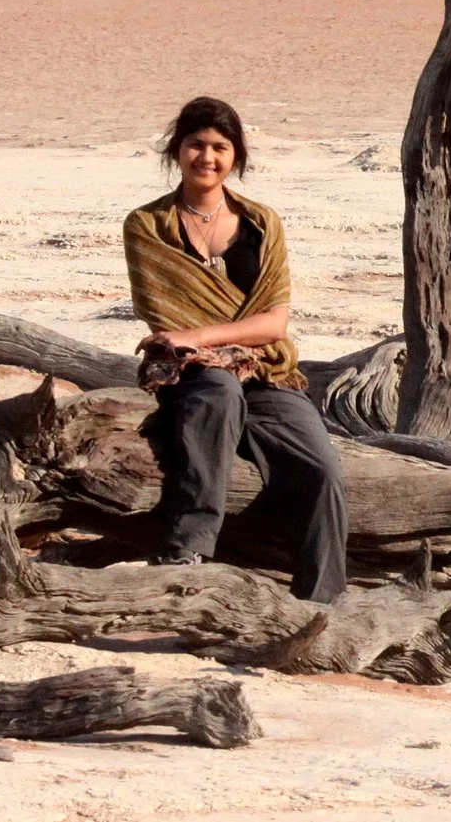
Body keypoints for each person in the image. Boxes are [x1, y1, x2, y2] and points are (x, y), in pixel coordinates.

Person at [123, 96, 347, 602]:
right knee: (219, 391)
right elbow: (166, 325)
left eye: (220, 147)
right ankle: (190, 549)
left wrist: (200, 336)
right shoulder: (147, 226)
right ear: (176, 151)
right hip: (188, 375)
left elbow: (273, 324)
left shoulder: (263, 223)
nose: (207, 157)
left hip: (268, 372)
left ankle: (322, 603)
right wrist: (197, 346)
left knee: (323, 469)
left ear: (236, 155)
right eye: (196, 145)